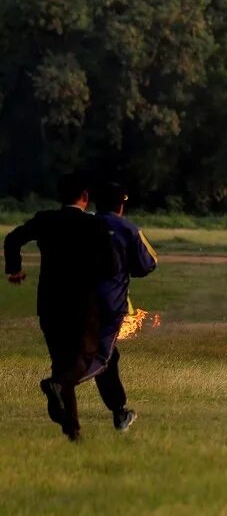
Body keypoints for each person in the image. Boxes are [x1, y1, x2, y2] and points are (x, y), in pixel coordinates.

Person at [4, 172, 117, 441]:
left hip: (49, 304)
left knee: (61, 362)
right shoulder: (95, 226)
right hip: (82, 304)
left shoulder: (45, 220)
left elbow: (12, 239)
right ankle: (55, 387)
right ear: (86, 197)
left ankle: (72, 429)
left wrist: (15, 269)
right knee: (86, 356)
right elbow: (109, 267)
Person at [81, 182, 160, 432]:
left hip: (72, 301)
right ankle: (61, 385)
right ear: (121, 205)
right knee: (103, 358)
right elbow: (147, 264)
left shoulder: (81, 225)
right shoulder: (127, 228)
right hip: (109, 305)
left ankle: (119, 412)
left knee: (108, 357)